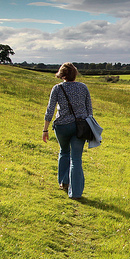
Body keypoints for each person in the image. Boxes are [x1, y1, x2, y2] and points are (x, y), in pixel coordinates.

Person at [43, 62, 93, 199]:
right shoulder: (83, 87)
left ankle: (64, 182)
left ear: (62, 74)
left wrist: (45, 129)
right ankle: (75, 193)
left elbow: (50, 110)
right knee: (76, 158)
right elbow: (89, 110)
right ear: (74, 74)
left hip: (62, 126)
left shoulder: (57, 88)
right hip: (80, 127)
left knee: (64, 152)